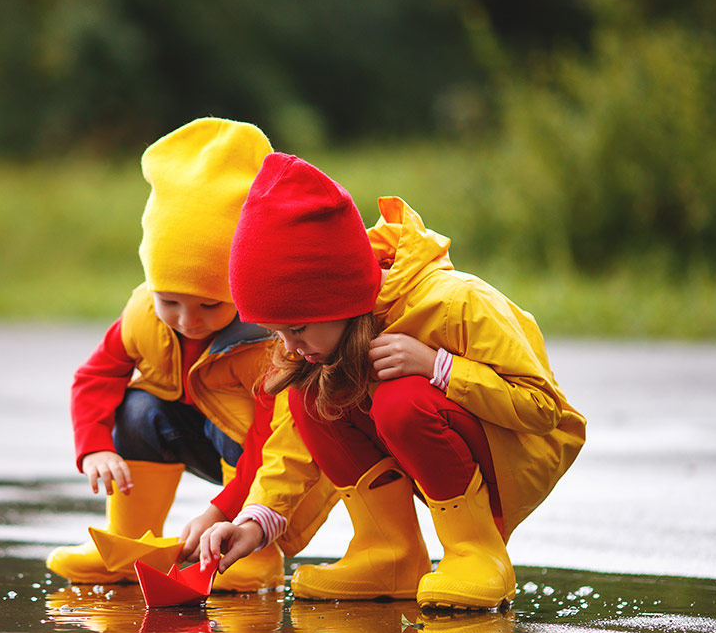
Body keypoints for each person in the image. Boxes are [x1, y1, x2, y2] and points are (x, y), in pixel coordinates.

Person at [199, 153, 586, 609]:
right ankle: (389, 554)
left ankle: (477, 555)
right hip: (442, 446)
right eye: (277, 332)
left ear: (338, 299)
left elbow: (543, 410)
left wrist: (437, 366)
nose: (289, 344)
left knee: (401, 399)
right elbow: (290, 444)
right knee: (307, 396)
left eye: (297, 328)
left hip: (514, 450)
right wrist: (255, 521)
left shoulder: (457, 301)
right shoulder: (317, 341)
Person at [48, 118, 334, 592]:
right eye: (170, 301)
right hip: (198, 435)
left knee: (234, 419)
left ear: (240, 286)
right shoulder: (143, 312)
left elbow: (271, 446)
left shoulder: (272, 341)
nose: (187, 320)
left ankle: (250, 551)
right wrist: (95, 446)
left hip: (259, 468)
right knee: (135, 410)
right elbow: (94, 377)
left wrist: (221, 512)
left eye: (210, 304)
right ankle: (129, 545)